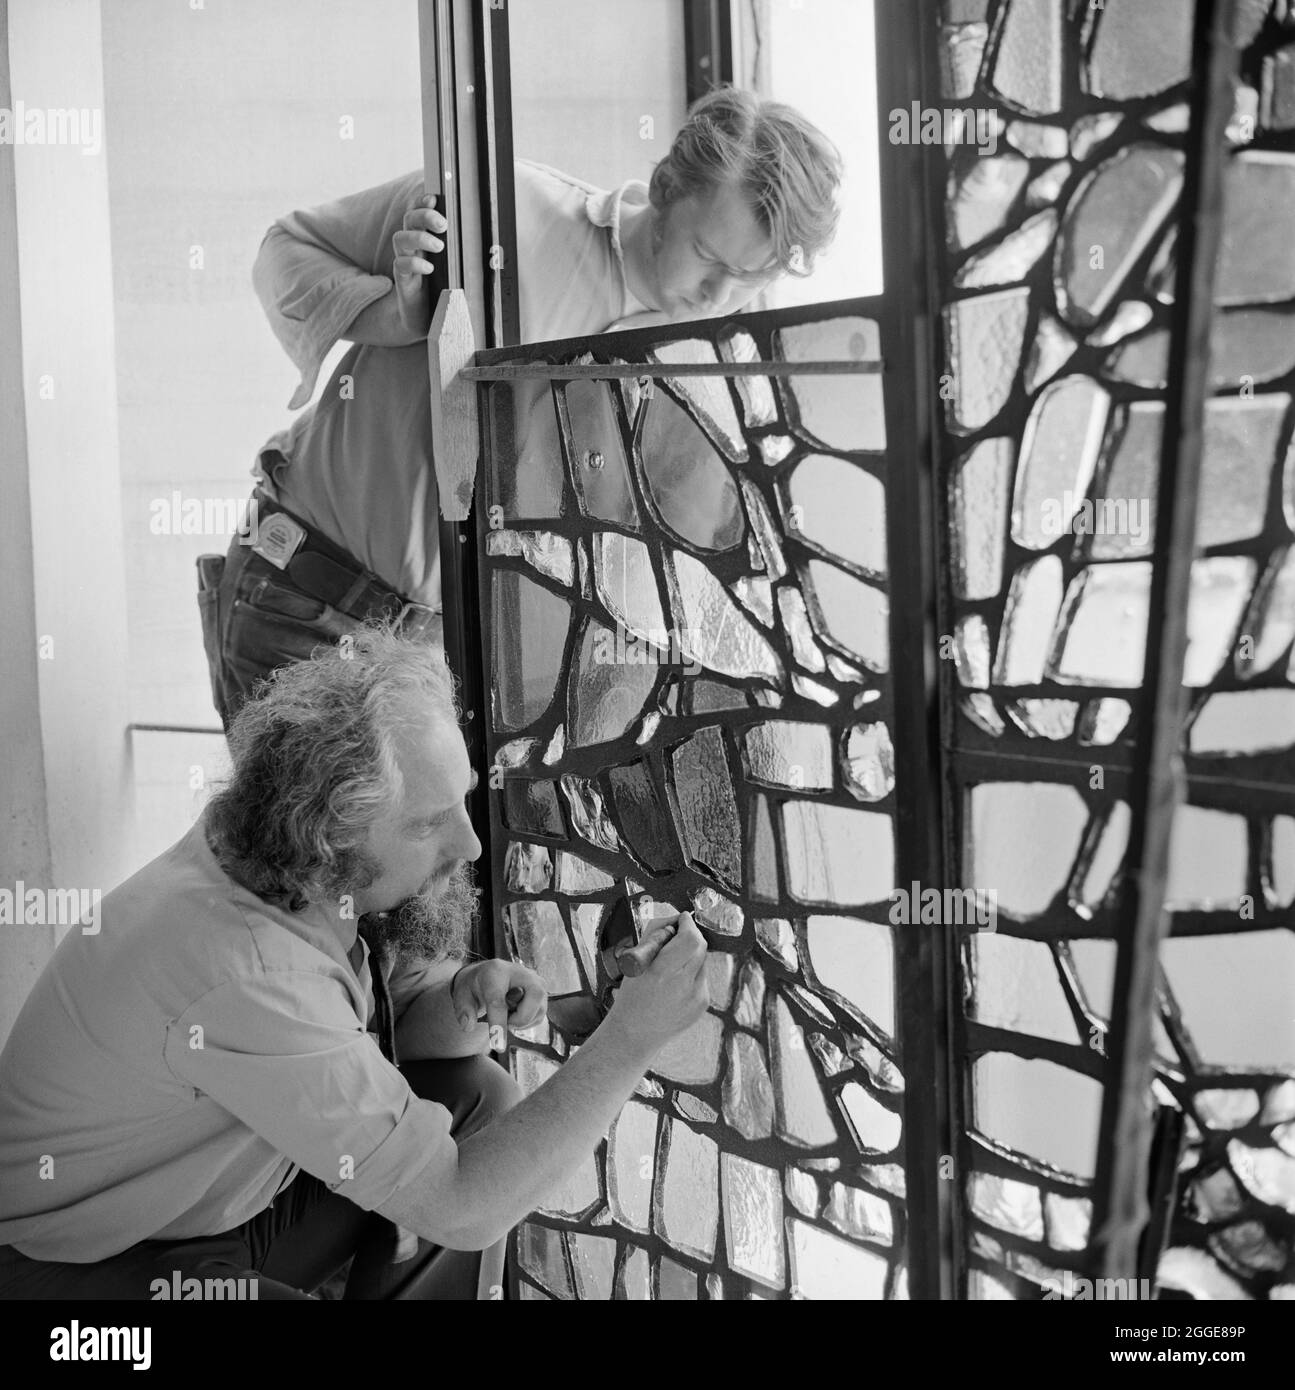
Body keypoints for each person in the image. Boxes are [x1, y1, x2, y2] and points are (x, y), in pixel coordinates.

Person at [0, 626, 708, 1299]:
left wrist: (459, 998)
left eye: (460, 800)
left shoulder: (274, 859)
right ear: (333, 832)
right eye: (430, 822)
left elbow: (370, 1041)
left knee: (473, 1096)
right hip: (76, 1266)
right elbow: (462, 1207)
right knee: (455, 1184)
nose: (468, 844)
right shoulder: (249, 968)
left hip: (216, 1203)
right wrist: (630, 1040)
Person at [199, 86, 842, 726]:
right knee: (289, 831)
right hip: (300, 596)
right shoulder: (502, 212)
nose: (718, 293)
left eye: (750, 277)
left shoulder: (701, 376)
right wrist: (393, 314)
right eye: (707, 255)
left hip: (438, 664)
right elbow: (284, 251)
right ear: (667, 188)